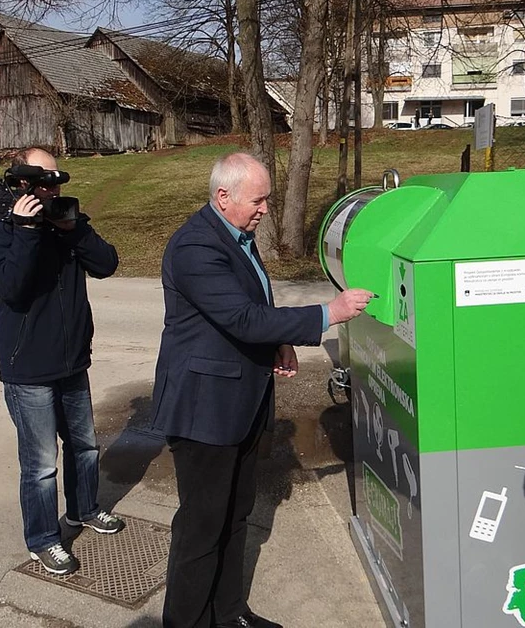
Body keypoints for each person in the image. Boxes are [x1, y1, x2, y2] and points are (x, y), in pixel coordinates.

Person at [152, 153, 373, 628]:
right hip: (204, 409)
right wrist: (325, 315)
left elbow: (251, 309)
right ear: (223, 196)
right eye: (259, 200)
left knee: (235, 516)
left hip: (242, 401)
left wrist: (279, 342)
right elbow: (240, 317)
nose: (266, 210)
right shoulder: (195, 246)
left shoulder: (237, 235)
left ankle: (228, 614)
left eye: (268, 199)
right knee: (201, 529)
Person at [0, 147, 125, 576]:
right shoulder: (4, 233)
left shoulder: (68, 225)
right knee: (41, 463)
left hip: (72, 362)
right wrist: (27, 231)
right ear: (23, 183)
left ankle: (84, 510)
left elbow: (107, 264)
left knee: (85, 446)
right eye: (43, 180)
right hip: (28, 369)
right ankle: (43, 540)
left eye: (56, 181)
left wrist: (73, 231)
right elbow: (11, 288)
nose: (51, 189)